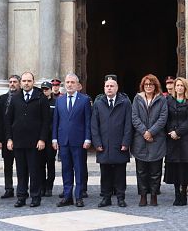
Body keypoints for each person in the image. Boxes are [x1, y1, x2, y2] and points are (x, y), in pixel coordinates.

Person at [5, 72, 51, 208]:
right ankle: (21, 196)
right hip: (18, 141)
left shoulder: (40, 98)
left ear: (33, 82)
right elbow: (8, 120)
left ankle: (35, 197)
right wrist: (9, 139)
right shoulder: (15, 98)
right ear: (21, 83)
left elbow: (46, 121)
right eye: (24, 81)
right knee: (21, 171)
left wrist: (42, 139)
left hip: (35, 142)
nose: (26, 83)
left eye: (29, 81)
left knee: (34, 170)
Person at [92, 75, 133, 207]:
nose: (109, 88)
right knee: (105, 173)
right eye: (107, 86)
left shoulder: (125, 102)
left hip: (119, 144)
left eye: (112, 86)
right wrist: (97, 143)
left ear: (117, 88)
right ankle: (106, 197)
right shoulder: (98, 103)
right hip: (103, 145)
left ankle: (121, 197)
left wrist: (126, 142)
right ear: (104, 88)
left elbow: (128, 124)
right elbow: (94, 125)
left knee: (120, 173)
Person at [52, 73, 91, 208]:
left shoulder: (84, 100)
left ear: (77, 85)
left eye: (72, 82)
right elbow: (56, 121)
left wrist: (87, 138)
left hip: (79, 141)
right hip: (63, 141)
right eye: (67, 82)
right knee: (66, 169)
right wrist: (54, 139)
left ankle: (79, 196)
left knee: (79, 170)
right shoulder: (60, 100)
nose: (69, 85)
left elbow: (87, 121)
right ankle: (67, 196)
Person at [131, 73, 167, 206]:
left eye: (151, 84)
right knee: (141, 171)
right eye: (146, 84)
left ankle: (153, 195)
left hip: (157, 140)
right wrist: (144, 132)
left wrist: (151, 132)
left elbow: (163, 118)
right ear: (143, 86)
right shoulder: (137, 99)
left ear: (155, 85)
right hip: (140, 140)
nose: (148, 86)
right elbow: (134, 117)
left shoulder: (161, 99)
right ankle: (142, 196)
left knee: (155, 171)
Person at [164, 77, 188, 206]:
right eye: (177, 85)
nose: (179, 88)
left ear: (185, 88)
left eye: (181, 86)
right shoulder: (168, 101)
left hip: (186, 138)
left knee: (184, 167)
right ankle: (177, 193)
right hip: (172, 139)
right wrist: (171, 131)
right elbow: (166, 118)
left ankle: (184, 194)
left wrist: (178, 132)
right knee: (175, 166)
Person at [0, 74, 20, 199]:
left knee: (22, 165)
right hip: (6, 136)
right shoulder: (3, 98)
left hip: (20, 136)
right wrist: (2, 138)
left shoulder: (22, 97)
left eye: (15, 82)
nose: (12, 84)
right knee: (7, 165)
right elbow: (0, 120)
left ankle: (22, 188)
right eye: (10, 82)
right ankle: (8, 188)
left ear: (19, 83)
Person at [41, 81, 58, 198]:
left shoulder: (56, 102)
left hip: (51, 138)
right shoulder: (38, 102)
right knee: (40, 164)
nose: (45, 91)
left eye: (47, 89)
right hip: (41, 139)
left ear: (51, 90)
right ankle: (42, 186)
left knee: (50, 163)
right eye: (43, 89)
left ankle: (49, 187)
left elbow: (57, 121)